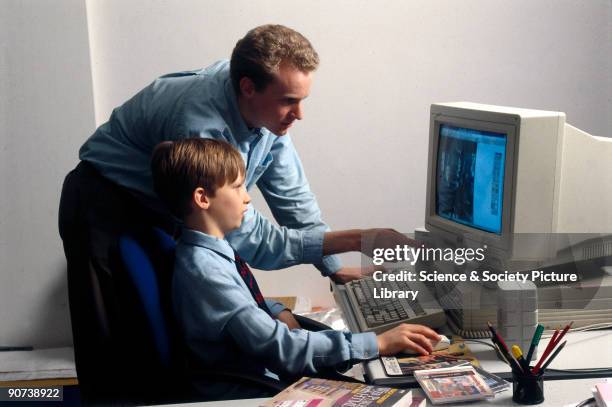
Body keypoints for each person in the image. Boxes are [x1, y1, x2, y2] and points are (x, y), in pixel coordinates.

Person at [58, 24, 414, 402]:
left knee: (183, 316)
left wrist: (332, 267)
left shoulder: (265, 112)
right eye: (289, 101)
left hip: (166, 209)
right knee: (115, 350)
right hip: (105, 200)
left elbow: (294, 200)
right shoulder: (200, 125)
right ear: (248, 87)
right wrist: (361, 240)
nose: (299, 114)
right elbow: (252, 238)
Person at [151, 138, 440, 399]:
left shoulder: (207, 253)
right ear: (203, 198)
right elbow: (283, 349)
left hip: (254, 370)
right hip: (248, 387)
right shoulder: (205, 271)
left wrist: (276, 310)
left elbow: (235, 309)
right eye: (238, 186)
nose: (247, 197)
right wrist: (377, 342)